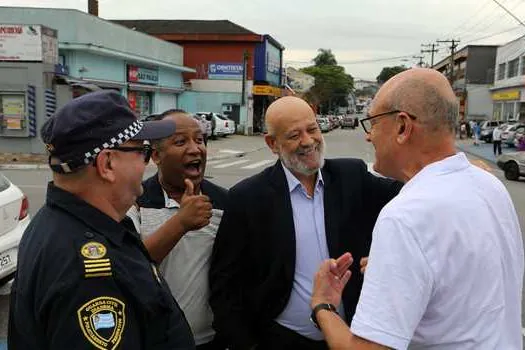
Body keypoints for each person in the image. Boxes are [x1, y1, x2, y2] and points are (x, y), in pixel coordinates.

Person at [311, 68, 524, 349]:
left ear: (402, 126)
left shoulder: (405, 216)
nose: (368, 136)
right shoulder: (490, 185)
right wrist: (405, 269)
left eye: (372, 122)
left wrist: (323, 306)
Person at [209, 96, 403, 350]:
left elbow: (409, 196)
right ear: (272, 143)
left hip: (352, 336)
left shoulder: (351, 176)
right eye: (294, 135)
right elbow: (225, 283)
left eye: (312, 129)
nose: (308, 141)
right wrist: (245, 344)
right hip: (279, 339)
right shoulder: (247, 198)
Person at [8, 91, 196, 349]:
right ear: (107, 163)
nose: (147, 163)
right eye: (142, 151)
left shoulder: (59, 224)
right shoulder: (89, 271)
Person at [127, 109, 228, 350]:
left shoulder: (225, 203)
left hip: (212, 340)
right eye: (180, 142)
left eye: (200, 139)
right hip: (154, 340)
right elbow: (130, 267)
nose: (195, 149)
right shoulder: (135, 202)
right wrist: (181, 223)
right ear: (156, 156)